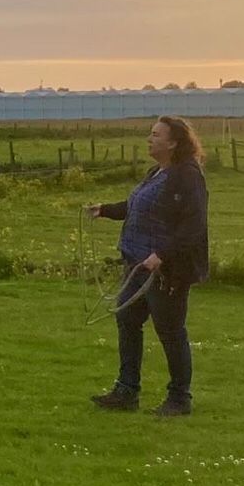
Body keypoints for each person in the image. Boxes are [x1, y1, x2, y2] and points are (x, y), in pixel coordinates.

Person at [83, 116, 210, 417]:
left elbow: (193, 225)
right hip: (137, 265)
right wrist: (104, 210)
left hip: (165, 271)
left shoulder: (187, 176)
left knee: (170, 331)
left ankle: (180, 398)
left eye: (155, 135)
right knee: (127, 323)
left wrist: (162, 255)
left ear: (173, 142)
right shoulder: (158, 172)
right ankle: (127, 390)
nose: (149, 139)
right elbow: (137, 205)